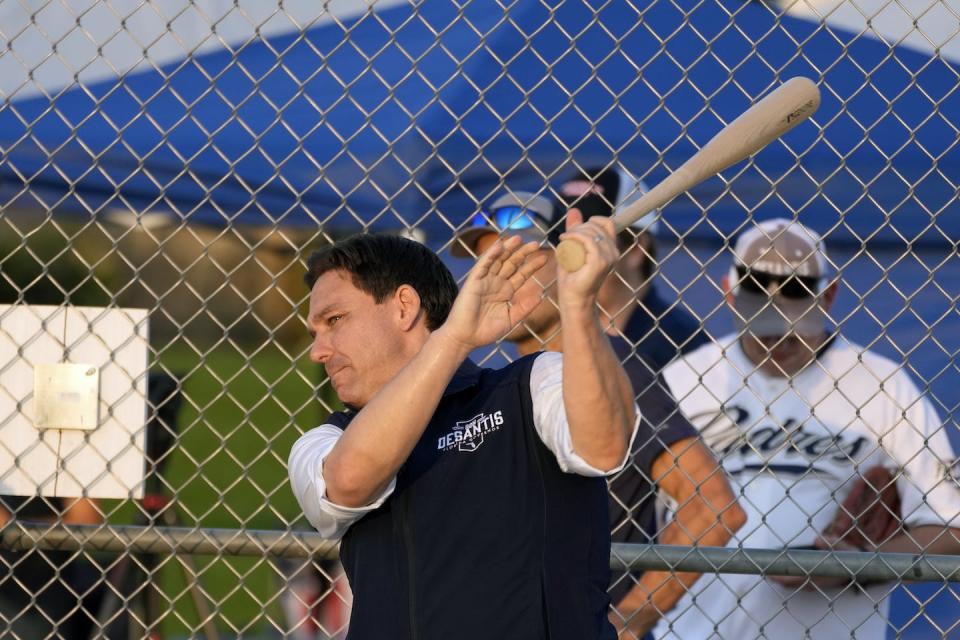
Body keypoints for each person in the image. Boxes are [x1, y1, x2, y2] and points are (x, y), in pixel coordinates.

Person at [288, 219, 640, 640]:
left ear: (404, 307)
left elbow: (604, 447)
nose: (317, 350)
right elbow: (349, 482)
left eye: (335, 319)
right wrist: (455, 338)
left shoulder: (530, 386)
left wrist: (580, 306)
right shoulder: (327, 442)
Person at [453, 186, 746, 639]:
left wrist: (627, 621)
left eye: (519, 261)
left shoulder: (612, 368)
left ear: (567, 259)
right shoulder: (494, 379)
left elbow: (712, 509)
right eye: (489, 265)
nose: (501, 281)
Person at [654, 218, 960, 639]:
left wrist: (854, 566)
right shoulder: (685, 380)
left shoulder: (883, 384)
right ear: (729, 292)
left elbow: (951, 527)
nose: (776, 336)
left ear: (828, 296)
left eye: (793, 322)